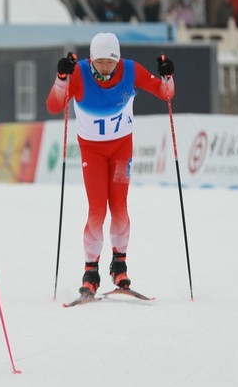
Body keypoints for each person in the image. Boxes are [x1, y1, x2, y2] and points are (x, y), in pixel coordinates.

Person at [46, 32, 175, 298]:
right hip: (92, 151)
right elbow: (54, 106)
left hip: (120, 150)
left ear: (118, 60)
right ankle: (90, 272)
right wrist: (61, 79)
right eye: (100, 61)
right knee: (97, 209)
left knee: (119, 206)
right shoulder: (79, 73)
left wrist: (167, 76)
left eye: (110, 62)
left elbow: (165, 94)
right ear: (91, 59)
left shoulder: (131, 70)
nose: (105, 67)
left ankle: (119, 266)